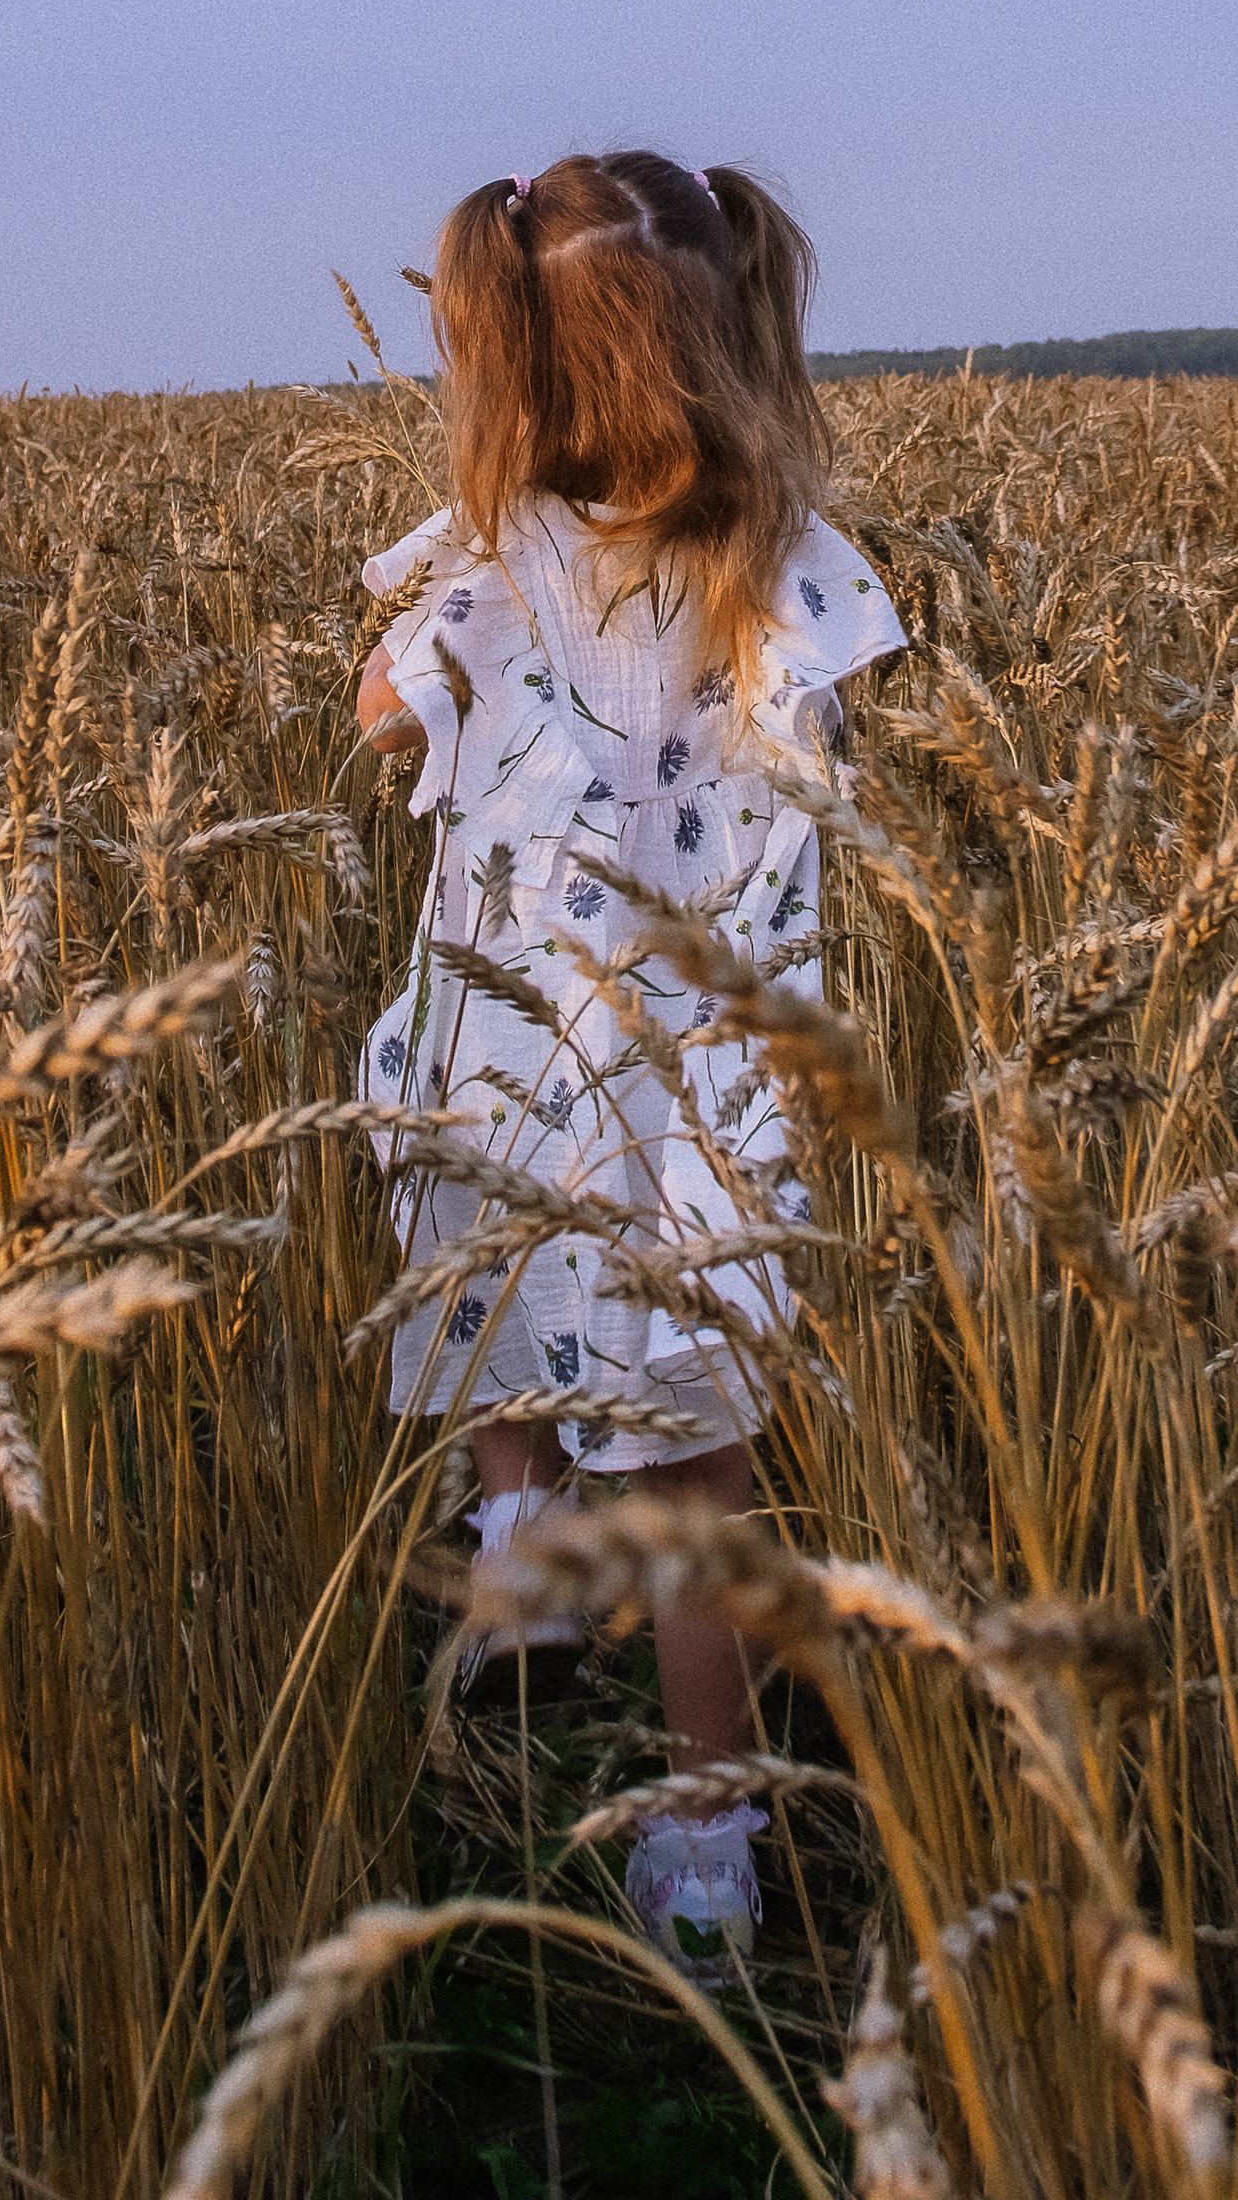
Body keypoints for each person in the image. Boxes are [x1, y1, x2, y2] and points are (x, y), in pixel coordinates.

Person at [351, 149, 904, 1965]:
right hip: (700, 1064)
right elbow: (852, 741)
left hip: (509, 1036)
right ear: (737, 333)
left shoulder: (482, 565)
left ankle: (512, 1525)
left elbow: (379, 722)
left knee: (489, 1242)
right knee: (696, 1463)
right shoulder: (789, 562)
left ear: (509, 359)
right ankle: (707, 1836)